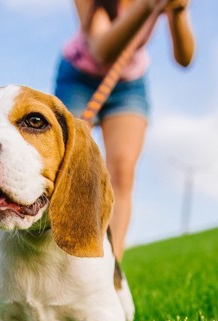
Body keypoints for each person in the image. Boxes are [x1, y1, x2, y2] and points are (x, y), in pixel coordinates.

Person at [54, 0, 195, 259]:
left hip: (129, 83)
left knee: (123, 172)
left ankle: (112, 266)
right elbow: (101, 50)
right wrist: (147, 6)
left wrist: (178, 9)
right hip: (78, 75)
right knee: (67, 166)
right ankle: (63, 255)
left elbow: (184, 58)